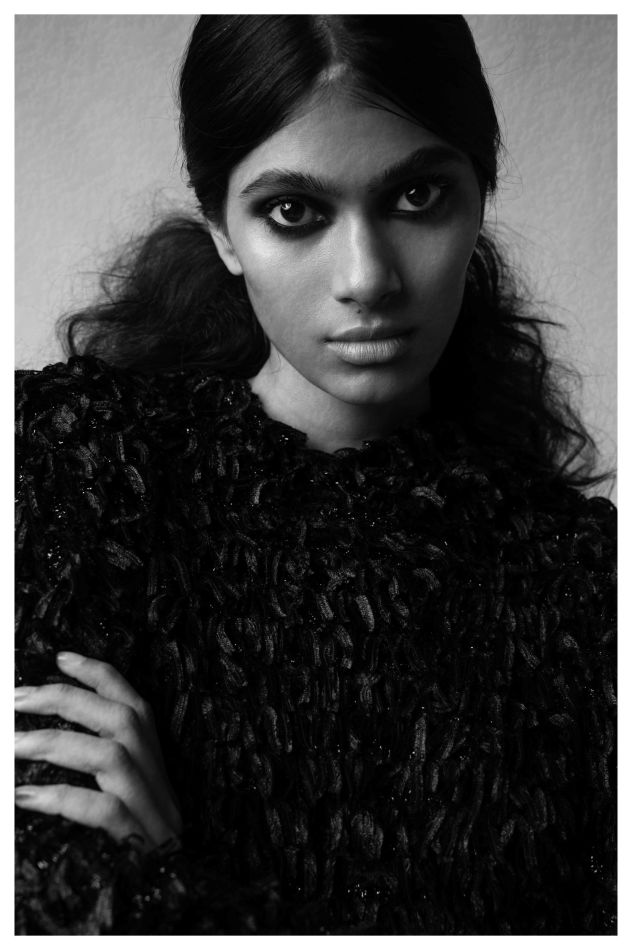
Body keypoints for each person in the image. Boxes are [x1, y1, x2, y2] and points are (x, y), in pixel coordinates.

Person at [15, 14, 616, 936]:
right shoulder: (74, 469)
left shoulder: (588, 586)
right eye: (294, 212)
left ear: (478, 200)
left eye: (416, 196)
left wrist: (170, 882)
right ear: (222, 229)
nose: (367, 278)